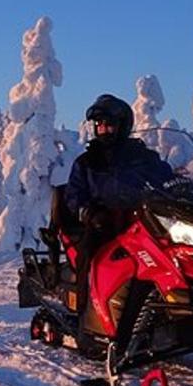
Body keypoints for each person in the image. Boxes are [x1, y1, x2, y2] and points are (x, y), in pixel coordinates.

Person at [63, 94, 174, 318]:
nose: (103, 129)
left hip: (142, 220)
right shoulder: (87, 162)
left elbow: (166, 179)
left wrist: (184, 192)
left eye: (109, 124)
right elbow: (74, 195)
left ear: (122, 126)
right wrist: (89, 213)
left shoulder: (142, 156)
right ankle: (86, 313)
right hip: (103, 223)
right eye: (99, 125)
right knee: (90, 252)